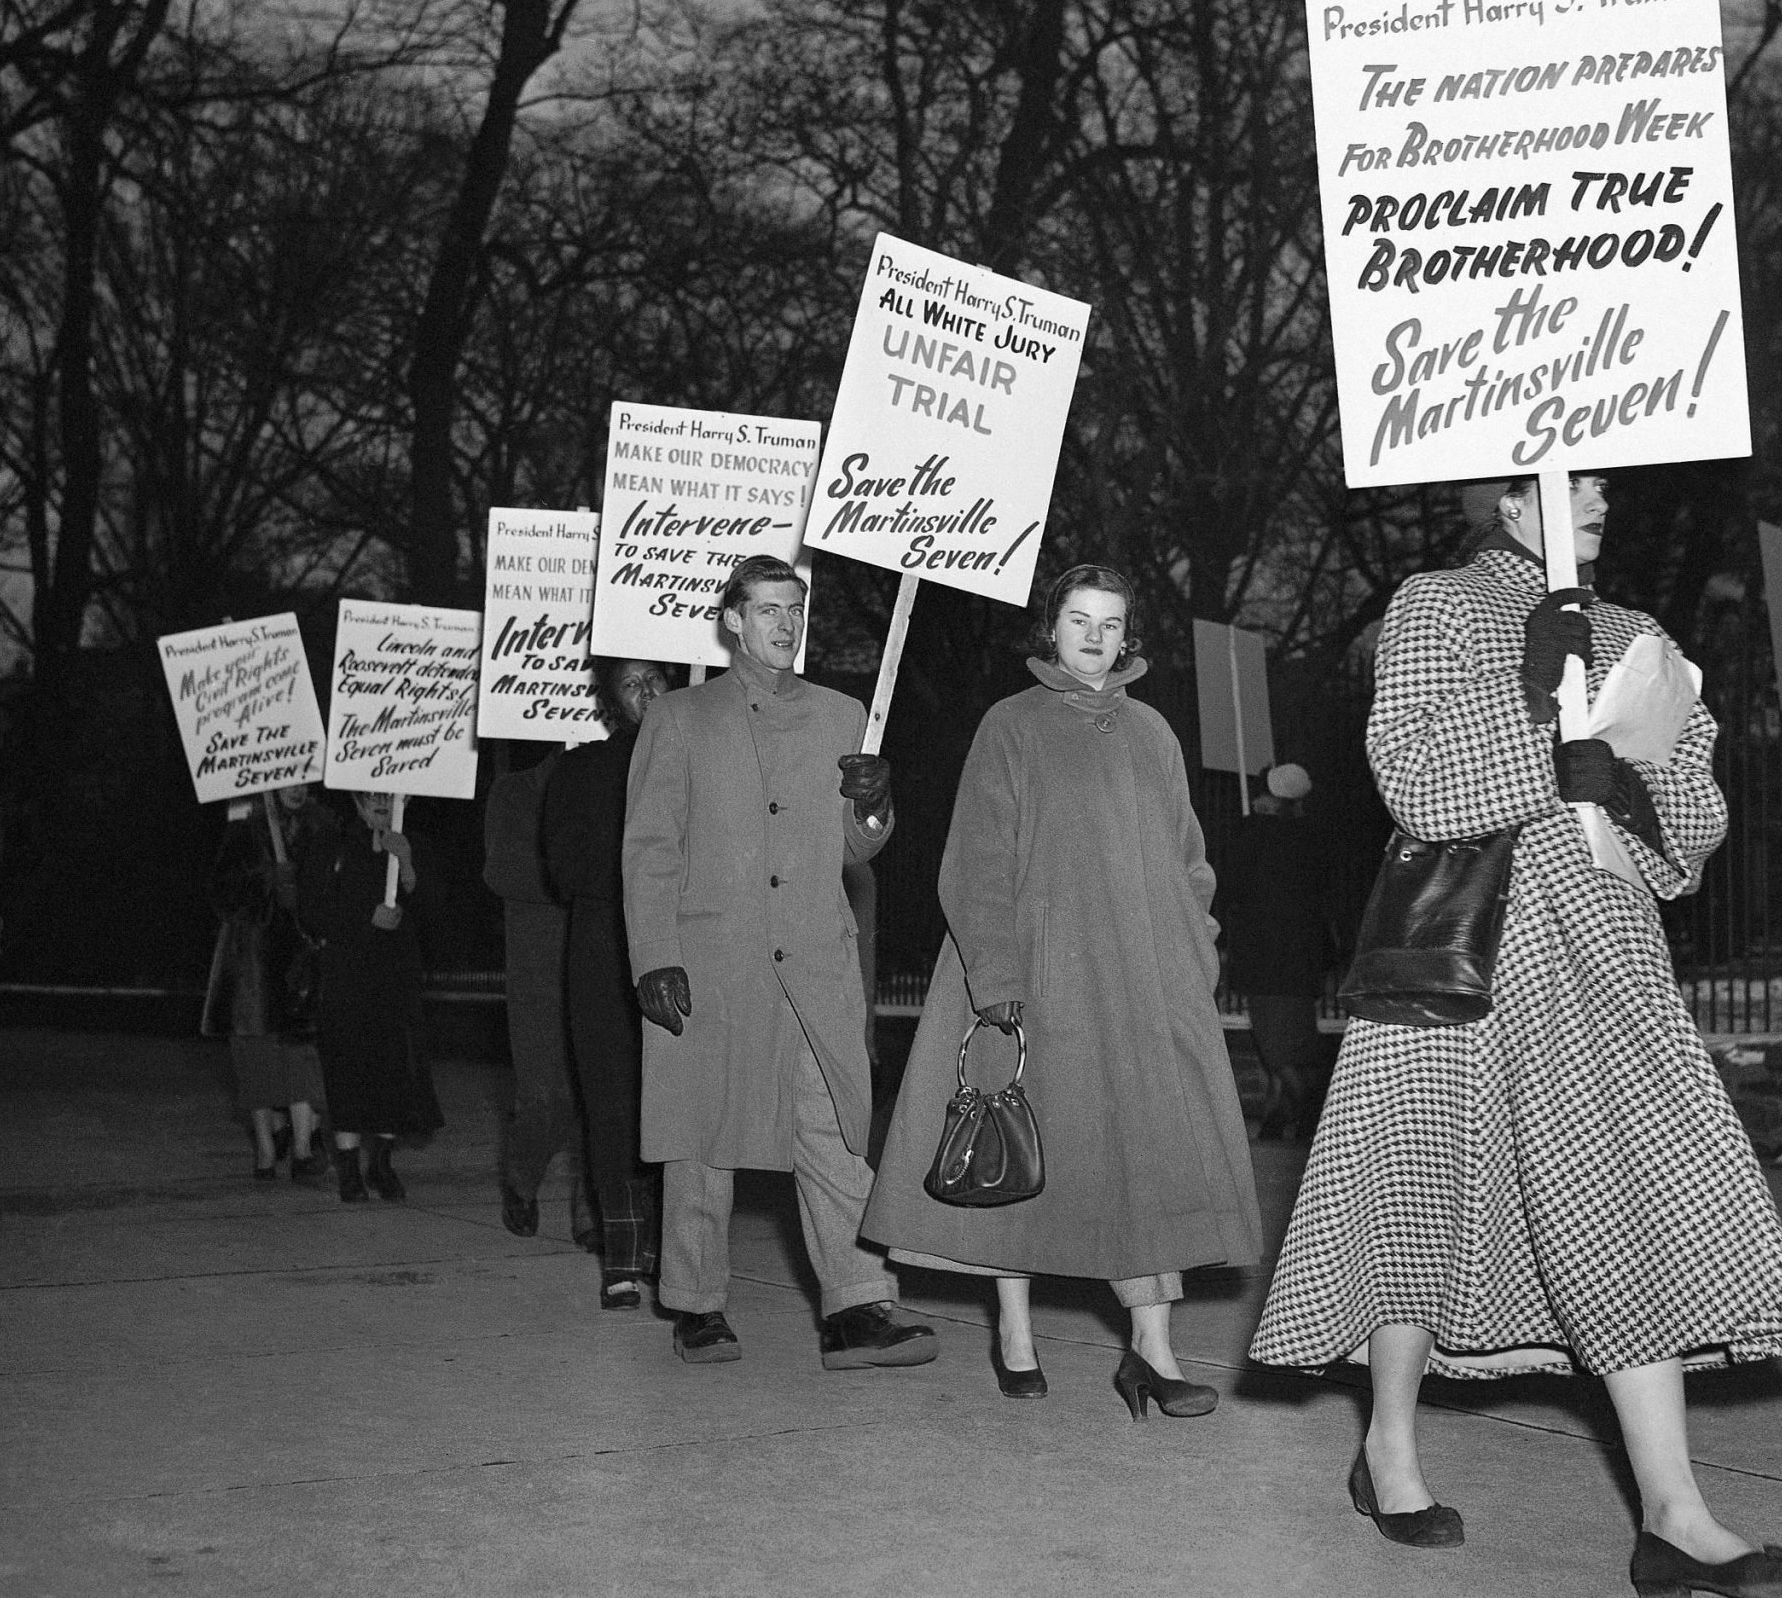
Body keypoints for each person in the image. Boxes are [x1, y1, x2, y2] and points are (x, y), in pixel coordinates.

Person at [1251, 475, 1782, 1597]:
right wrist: (1529, 696)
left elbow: (1695, 814)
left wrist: (1628, 785)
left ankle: (1673, 1511)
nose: (1596, 494)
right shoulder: (1434, 602)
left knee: (1624, 1192)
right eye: (1568, 478)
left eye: (1604, 478)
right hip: (1460, 950)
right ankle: (1389, 1446)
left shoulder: (1636, 632)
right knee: (1420, 1190)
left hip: (1598, 944)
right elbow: (1412, 783)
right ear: (1505, 498)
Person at [863, 564, 1263, 1412]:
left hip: (1141, 980)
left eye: (1110, 623)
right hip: (1039, 972)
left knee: (1143, 1155)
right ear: (1051, 629)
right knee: (1024, 1154)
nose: (1094, 635)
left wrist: (1200, 952)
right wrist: (997, 978)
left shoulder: (1153, 731)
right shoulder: (1011, 724)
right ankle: (1015, 1329)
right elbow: (974, 859)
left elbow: (1189, 859)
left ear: (1127, 637)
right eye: (1079, 619)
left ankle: (1152, 1348)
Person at [621, 555, 933, 1370]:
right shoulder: (680, 718)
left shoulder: (842, 714)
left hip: (814, 962)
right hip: (711, 961)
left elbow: (856, 847)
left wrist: (873, 800)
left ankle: (857, 1306)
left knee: (834, 1130)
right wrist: (655, 953)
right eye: (766, 609)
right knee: (702, 1136)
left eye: (795, 608)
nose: (785, 624)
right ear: (731, 620)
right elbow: (651, 847)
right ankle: (695, 1303)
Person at [541, 657, 669, 1308]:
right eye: (631, 683)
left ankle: (669, 1248)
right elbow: (562, 867)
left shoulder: (701, 763)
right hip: (603, 954)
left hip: (682, 954)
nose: (646, 692)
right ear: (613, 701)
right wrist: (639, 854)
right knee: (611, 1101)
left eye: (656, 679)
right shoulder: (583, 768)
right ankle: (620, 1254)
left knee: (675, 1105)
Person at [292, 789, 442, 1203]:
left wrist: (407, 863)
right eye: (371, 795)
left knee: (392, 1068)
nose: (380, 801)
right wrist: (364, 919)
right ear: (356, 801)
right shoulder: (332, 845)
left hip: (396, 980)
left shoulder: (415, 845)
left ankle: (381, 1163)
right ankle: (348, 1167)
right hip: (346, 978)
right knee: (347, 1069)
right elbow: (311, 911)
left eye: (389, 796)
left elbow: (435, 913)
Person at [204, 783, 327, 1181]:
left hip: (301, 956)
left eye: (303, 781)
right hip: (252, 959)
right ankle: (266, 1147)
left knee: (301, 1050)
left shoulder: (322, 827)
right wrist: (265, 882)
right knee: (255, 1050)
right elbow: (221, 895)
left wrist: (304, 894)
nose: (297, 790)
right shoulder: (244, 827)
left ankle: (305, 1149)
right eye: (288, 782)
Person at [1220, 762, 1336, 1141]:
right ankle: (1277, 1115)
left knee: (1276, 1047)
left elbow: (1233, 887)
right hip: (1301, 959)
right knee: (1294, 1041)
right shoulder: (1313, 839)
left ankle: (1314, 1110)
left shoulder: (1253, 835)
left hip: (1265, 957)